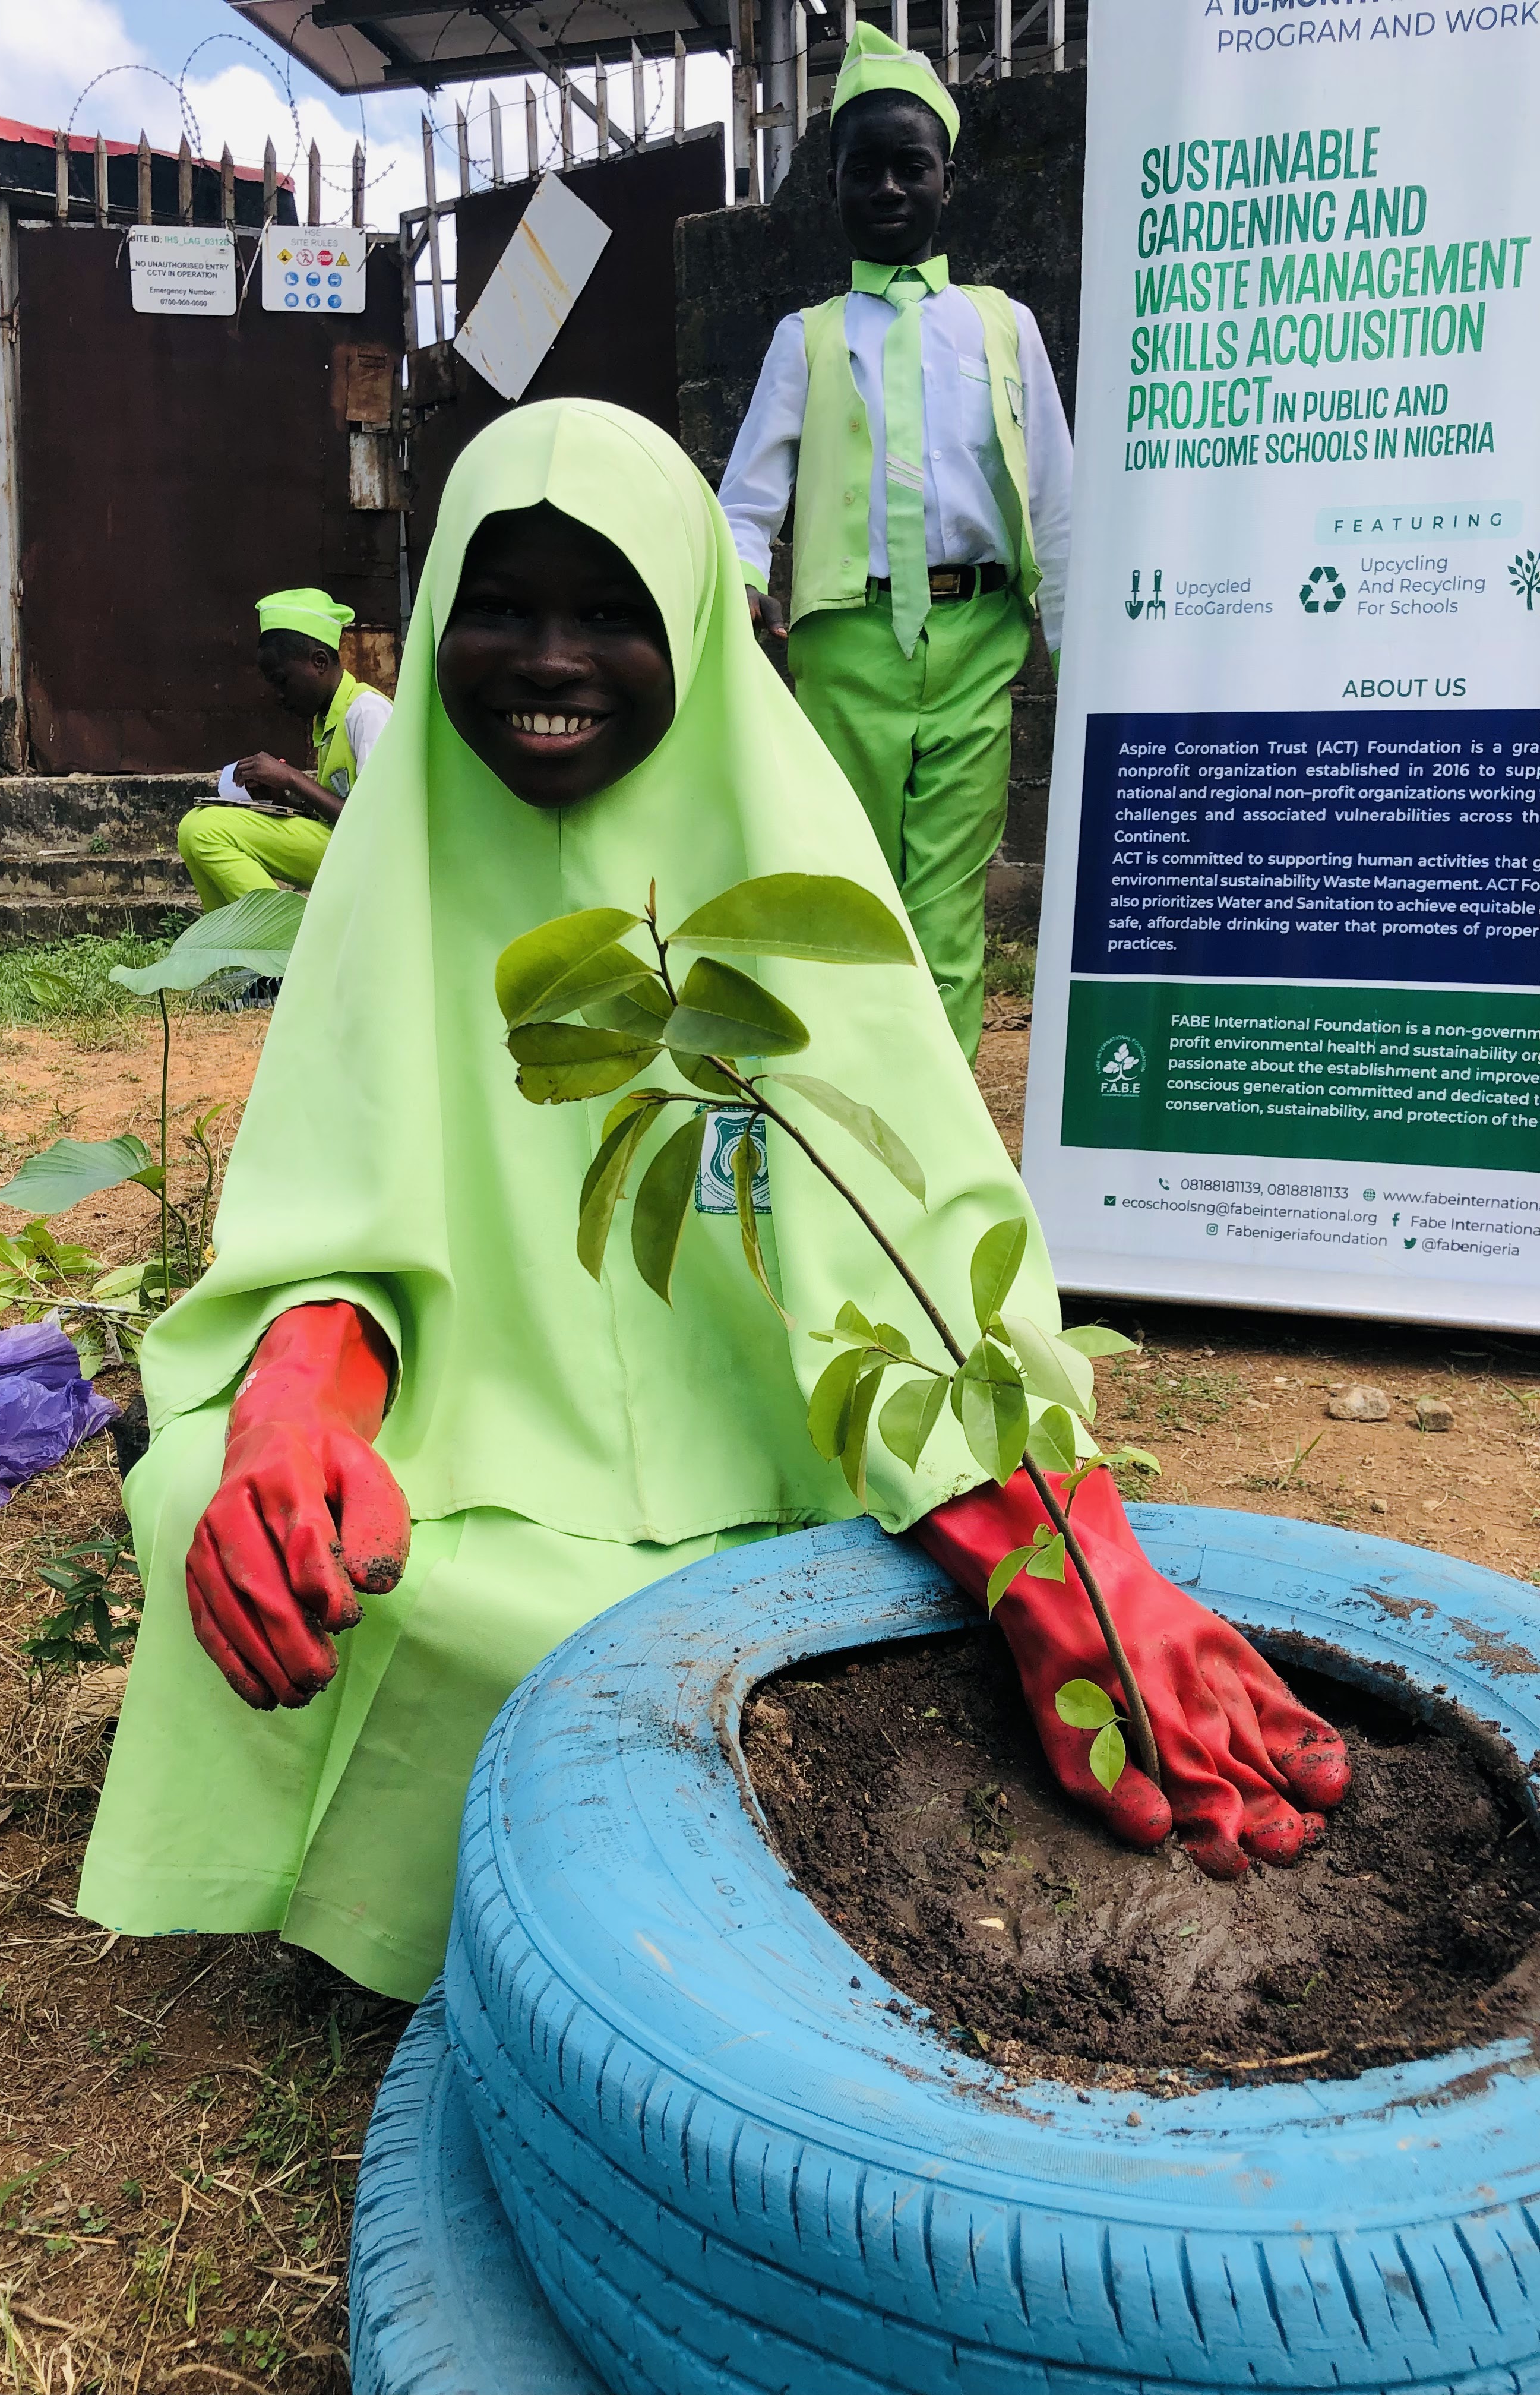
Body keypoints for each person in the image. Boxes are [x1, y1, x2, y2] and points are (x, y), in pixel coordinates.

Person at [77, 401, 1346, 2005]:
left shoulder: (782, 866)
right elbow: (345, 1208)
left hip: (785, 1481)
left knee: (776, 1633)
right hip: (482, 1461)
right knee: (214, 1489)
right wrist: (291, 1413)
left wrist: (1071, 1572)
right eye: (502, 609)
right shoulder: (393, 864)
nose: (550, 658)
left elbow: (918, 1250)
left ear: (693, 620)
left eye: (611, 612)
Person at [717, 23, 1072, 1060]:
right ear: (829, 187)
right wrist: (738, 585)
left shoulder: (1002, 327)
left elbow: (1050, 494)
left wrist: (1073, 648)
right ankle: (847, 1098)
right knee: (849, 894)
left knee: (947, 913)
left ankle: (940, 1128)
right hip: (845, 647)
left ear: (944, 181)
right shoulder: (806, 339)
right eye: (859, 170)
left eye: (907, 168)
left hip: (976, 641)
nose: (885, 189)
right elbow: (746, 502)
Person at [175, 587, 394, 914]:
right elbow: (338, 815)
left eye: (282, 681)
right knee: (193, 827)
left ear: (319, 662)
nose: (277, 695)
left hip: (380, 862)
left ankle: (286, 949)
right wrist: (284, 803)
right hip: (350, 851)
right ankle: (241, 951)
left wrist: (292, 778)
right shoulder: (329, 721)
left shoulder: (367, 710)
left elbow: (380, 824)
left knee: (204, 831)